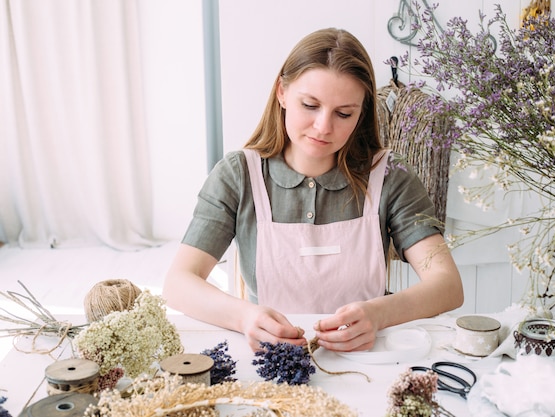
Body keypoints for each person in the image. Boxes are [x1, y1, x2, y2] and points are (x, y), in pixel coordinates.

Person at [163, 28, 463, 352]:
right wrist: (244, 318)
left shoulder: (390, 175)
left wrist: (378, 314)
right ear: (281, 92)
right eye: (310, 105)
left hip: (369, 361)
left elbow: (447, 285)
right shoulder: (238, 175)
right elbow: (178, 283)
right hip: (270, 359)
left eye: (344, 113)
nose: (324, 127)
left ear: (362, 114)